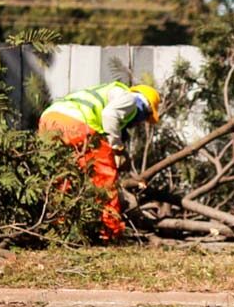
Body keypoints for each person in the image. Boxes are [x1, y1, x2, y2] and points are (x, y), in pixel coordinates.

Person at [38, 81, 161, 239]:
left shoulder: (106, 91)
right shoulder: (130, 99)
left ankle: (59, 229)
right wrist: (117, 149)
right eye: (145, 117)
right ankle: (109, 232)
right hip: (78, 124)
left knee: (63, 177)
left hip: (49, 119)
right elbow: (109, 115)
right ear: (146, 106)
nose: (140, 122)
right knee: (104, 179)